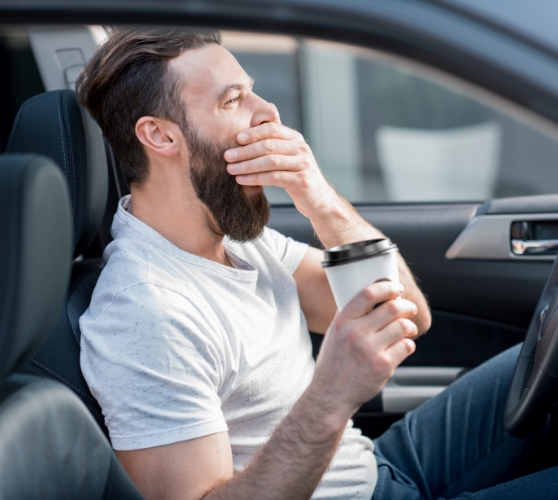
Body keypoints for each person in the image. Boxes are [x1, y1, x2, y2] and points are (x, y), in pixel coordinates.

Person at [78, 29, 556, 500]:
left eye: (254, 91)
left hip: (378, 466)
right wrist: (330, 398)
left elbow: (406, 313)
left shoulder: (239, 240)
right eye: (233, 101)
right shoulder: (145, 313)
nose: (269, 113)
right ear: (160, 135)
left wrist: (321, 200)